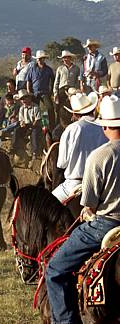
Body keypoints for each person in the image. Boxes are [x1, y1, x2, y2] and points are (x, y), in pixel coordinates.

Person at [45, 94, 120, 324]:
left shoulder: (100, 157)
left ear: (106, 125)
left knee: (55, 270)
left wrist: (88, 211)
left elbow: (89, 203)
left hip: (107, 223)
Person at [52, 92, 107, 202]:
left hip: (74, 184)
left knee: (46, 204)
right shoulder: (103, 128)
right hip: (101, 185)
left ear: (75, 114)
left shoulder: (72, 129)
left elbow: (62, 163)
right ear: (92, 110)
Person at [26, 50, 55, 131]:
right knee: (34, 109)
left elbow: (53, 80)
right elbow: (28, 81)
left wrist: (51, 91)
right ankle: (33, 127)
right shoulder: (32, 69)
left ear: (44, 59)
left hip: (45, 92)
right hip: (34, 93)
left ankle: (52, 126)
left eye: (41, 58)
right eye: (39, 58)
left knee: (50, 108)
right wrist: (29, 91)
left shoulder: (48, 69)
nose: (40, 60)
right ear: (36, 59)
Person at [12, 90, 42, 163]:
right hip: (26, 125)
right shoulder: (22, 108)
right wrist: (22, 123)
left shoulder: (35, 107)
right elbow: (21, 119)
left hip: (34, 125)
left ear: (29, 98)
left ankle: (35, 153)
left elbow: (37, 120)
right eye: (22, 99)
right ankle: (14, 147)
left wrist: (31, 128)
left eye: (25, 98)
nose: (23, 100)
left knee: (34, 134)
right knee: (17, 130)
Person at [53, 50, 80, 126]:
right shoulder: (60, 68)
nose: (65, 59)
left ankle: (71, 123)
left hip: (72, 90)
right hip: (62, 90)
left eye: (67, 57)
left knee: (72, 107)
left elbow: (77, 81)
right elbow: (56, 82)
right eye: (64, 58)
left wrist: (76, 91)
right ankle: (59, 124)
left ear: (70, 58)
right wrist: (55, 93)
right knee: (60, 108)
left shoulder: (76, 68)